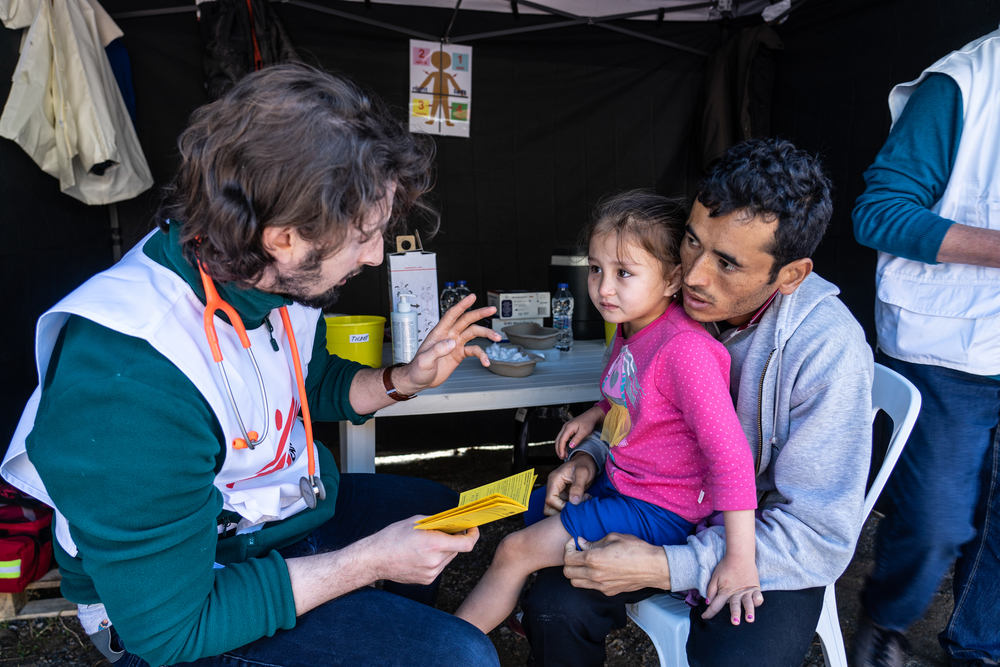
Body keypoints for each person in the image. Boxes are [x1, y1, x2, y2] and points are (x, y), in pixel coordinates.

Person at [1, 64, 503, 667]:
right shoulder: (129, 380)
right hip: (178, 612)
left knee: (434, 513)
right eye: (367, 234)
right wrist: (367, 562)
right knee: (460, 656)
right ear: (285, 238)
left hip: (272, 523)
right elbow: (174, 630)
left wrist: (404, 379)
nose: (375, 257)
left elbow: (308, 384)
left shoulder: (260, 273)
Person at [518, 138, 875, 667]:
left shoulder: (827, 349)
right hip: (660, 504)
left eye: (727, 264)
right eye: (691, 241)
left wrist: (668, 566)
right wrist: (592, 454)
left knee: (738, 659)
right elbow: (634, 402)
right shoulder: (654, 306)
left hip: (760, 546)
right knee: (554, 603)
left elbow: (818, 536)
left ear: (790, 275)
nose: (694, 275)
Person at [455, 192, 762, 635]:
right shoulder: (631, 325)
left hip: (660, 510)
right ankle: (529, 607)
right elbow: (633, 391)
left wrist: (739, 559)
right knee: (538, 506)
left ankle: (446, 647)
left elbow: (730, 456)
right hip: (627, 485)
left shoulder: (685, 350)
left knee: (512, 550)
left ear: (674, 278)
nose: (603, 288)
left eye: (624, 273)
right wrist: (596, 413)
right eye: (596, 269)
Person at [851, 27, 1000, 667]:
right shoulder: (961, 83)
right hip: (947, 348)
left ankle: (978, 651)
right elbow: (877, 213)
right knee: (936, 524)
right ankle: (883, 620)